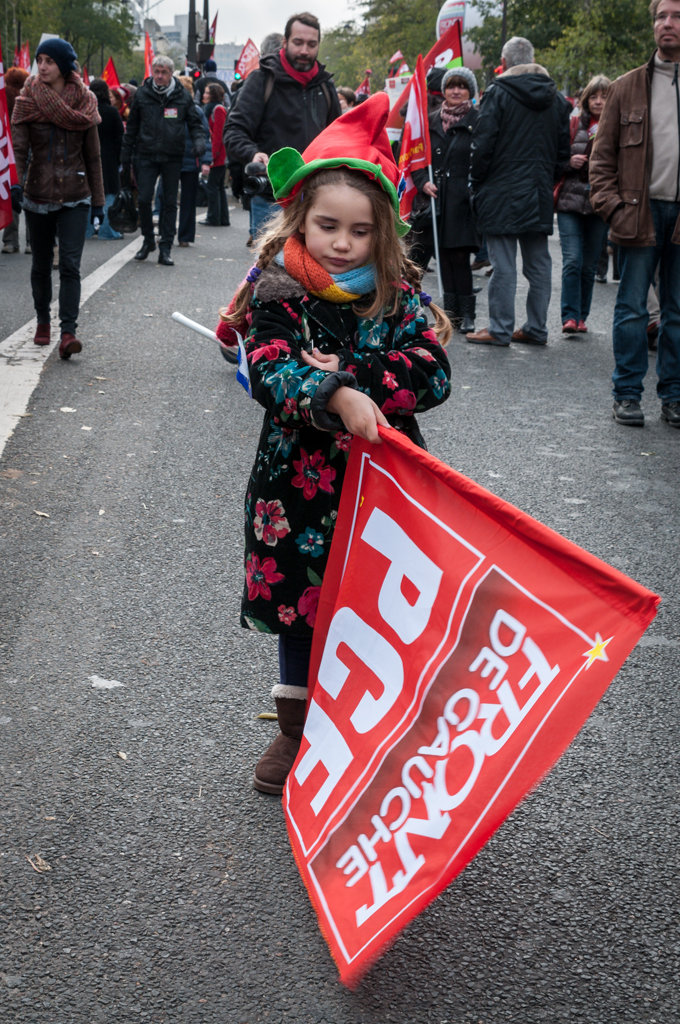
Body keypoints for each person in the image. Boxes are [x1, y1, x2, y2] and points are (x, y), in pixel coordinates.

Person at [217, 94, 452, 794]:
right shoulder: (277, 295)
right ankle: (298, 732)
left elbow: (431, 371)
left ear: (382, 235)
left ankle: (368, 729)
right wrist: (330, 397)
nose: (343, 242)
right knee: (301, 603)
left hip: (384, 482)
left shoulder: (398, 297)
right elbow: (269, 368)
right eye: (328, 226)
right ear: (300, 220)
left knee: (376, 603)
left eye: (359, 231)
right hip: (297, 484)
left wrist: (354, 379)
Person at [589, 0, 680, 429]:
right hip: (637, 216)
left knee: (677, 313)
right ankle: (626, 394)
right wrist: (613, 209)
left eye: (677, 16)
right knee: (631, 311)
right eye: (661, 16)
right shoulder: (627, 87)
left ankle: (674, 396)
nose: (667, 24)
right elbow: (600, 158)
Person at [467, 36, 571, 347]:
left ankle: (500, 329)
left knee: (504, 265)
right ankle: (536, 328)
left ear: (506, 61)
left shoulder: (498, 93)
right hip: (538, 191)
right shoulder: (556, 99)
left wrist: (478, 180)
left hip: (499, 191)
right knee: (539, 265)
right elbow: (563, 153)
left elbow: (483, 144)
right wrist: (545, 179)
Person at [11, 38, 105, 358]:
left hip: (76, 196)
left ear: (65, 65)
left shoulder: (86, 102)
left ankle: (68, 332)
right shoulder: (27, 100)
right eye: (39, 60)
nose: (43, 66)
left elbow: (94, 158)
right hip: (37, 195)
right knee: (40, 265)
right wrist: (16, 184)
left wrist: (98, 202)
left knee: (69, 265)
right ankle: (42, 321)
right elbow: (19, 151)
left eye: (50, 60)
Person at [224, 12, 341, 240]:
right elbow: (233, 131)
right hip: (272, 199)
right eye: (298, 42)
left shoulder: (326, 86)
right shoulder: (261, 80)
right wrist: (253, 153)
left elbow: (339, 137)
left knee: (314, 274)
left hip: (318, 200)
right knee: (272, 273)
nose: (304, 51)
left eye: (311, 44)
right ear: (285, 42)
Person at [412, 66, 480, 333]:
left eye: (462, 86)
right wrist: (421, 182)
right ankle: (449, 314)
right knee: (435, 255)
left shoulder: (479, 120)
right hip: (434, 199)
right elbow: (414, 156)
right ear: (443, 90)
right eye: (451, 86)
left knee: (459, 257)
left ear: (470, 92)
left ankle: (467, 314)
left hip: (462, 200)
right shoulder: (428, 121)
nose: (456, 91)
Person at [121, 55, 205, 266]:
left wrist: (199, 142)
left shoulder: (182, 96)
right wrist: (125, 154)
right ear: (152, 72)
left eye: (164, 72)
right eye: (156, 71)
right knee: (143, 199)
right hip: (146, 154)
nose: (159, 76)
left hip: (173, 155)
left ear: (171, 74)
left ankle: (165, 246)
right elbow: (131, 128)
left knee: (169, 203)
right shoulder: (142, 94)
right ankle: (148, 240)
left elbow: (195, 124)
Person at [556, 75, 611, 334]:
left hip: (600, 202)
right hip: (570, 200)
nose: (599, 101)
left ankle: (581, 316)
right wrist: (570, 162)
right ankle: (569, 315)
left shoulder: (616, 126)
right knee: (572, 261)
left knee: (589, 265)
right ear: (586, 99)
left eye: (604, 96)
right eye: (594, 96)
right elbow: (557, 157)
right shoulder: (574, 124)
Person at [175, 75, 212, 246]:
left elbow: (204, 136)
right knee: (182, 201)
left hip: (185, 160)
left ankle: (178, 234)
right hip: (179, 159)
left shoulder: (194, 111)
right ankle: (182, 236)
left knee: (180, 200)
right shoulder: (192, 109)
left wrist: (205, 160)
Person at [85, 79, 124, 240]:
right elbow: (120, 139)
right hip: (109, 158)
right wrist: (120, 159)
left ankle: (86, 230)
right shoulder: (112, 112)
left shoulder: (86, 111)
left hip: (87, 155)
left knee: (87, 193)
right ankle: (107, 230)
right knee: (109, 193)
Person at [2, 66, 29, 254]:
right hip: (29, 152)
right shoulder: (29, 100)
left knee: (12, 193)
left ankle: (11, 241)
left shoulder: (4, 100)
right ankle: (31, 242)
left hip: (9, 154)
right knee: (33, 198)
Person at [200, 82, 230, 227]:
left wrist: (212, 155)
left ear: (213, 95)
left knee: (213, 186)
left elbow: (219, 135)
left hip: (218, 155)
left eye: (206, 92)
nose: (204, 95)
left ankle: (213, 217)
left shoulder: (218, 109)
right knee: (217, 187)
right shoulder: (214, 108)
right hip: (218, 154)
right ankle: (222, 218)